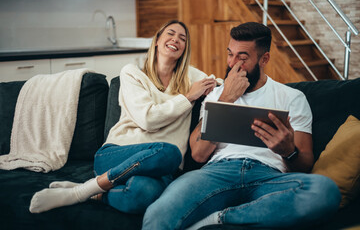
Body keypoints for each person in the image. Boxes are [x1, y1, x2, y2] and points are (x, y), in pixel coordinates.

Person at [142, 22, 341, 230]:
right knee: (157, 214)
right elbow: (199, 154)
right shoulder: (218, 95)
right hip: (217, 173)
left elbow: (305, 163)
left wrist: (288, 151)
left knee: (325, 191)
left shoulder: (292, 98)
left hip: (269, 177)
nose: (232, 63)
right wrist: (227, 98)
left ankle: (220, 219)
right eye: (230, 54)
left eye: (242, 58)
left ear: (264, 59)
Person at [29, 20, 217, 214]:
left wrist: (217, 88)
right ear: (157, 41)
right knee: (169, 152)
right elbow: (148, 119)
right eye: (170, 33)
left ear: (185, 48)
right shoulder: (132, 74)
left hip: (159, 166)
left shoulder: (191, 77)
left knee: (143, 194)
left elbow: (219, 85)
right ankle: (79, 192)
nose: (176, 39)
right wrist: (187, 98)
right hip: (118, 154)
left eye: (182, 38)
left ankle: (95, 192)